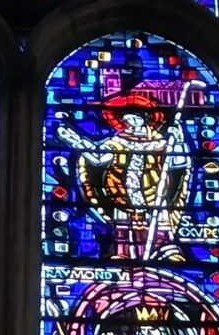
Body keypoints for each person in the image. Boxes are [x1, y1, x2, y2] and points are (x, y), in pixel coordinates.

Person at [57, 85, 192, 259]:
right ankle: (125, 255)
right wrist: (76, 141)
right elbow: (98, 158)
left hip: (155, 195)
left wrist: (179, 141)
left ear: (145, 118)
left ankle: (165, 252)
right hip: (122, 195)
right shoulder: (118, 142)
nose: (129, 123)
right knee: (124, 228)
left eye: (133, 118)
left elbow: (179, 164)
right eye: (126, 120)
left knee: (160, 227)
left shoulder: (162, 144)